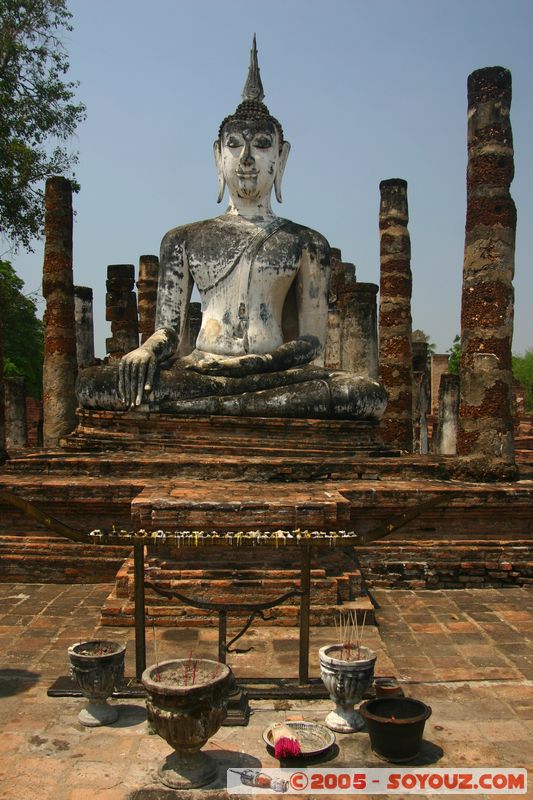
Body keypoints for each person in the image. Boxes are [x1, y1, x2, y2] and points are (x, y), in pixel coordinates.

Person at [76, 38, 386, 420]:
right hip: (201, 369)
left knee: (364, 394)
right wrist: (146, 351)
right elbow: (168, 333)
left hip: (273, 376)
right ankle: (225, 403)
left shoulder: (308, 243)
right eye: (235, 145)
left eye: (261, 145)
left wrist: (248, 366)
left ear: (281, 156)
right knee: (94, 385)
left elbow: (310, 342)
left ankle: (215, 405)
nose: (247, 159)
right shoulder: (183, 239)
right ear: (217, 155)